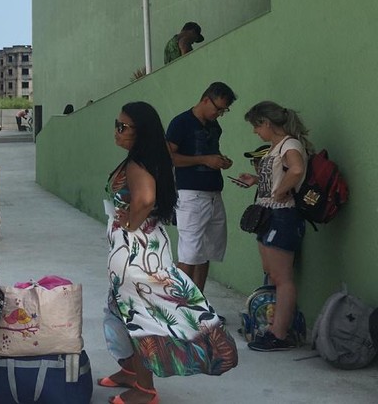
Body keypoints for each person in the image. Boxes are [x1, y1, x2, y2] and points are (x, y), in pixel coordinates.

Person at [100, 102, 237, 404]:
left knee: (138, 319)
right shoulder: (148, 158)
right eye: (117, 124)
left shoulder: (139, 165)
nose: (117, 131)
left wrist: (130, 223)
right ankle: (129, 371)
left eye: (123, 126)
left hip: (135, 255)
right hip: (144, 248)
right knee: (117, 315)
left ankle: (144, 391)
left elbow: (145, 199)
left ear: (141, 132)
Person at [232, 101, 311, 352]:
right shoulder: (275, 147)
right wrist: (256, 180)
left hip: (283, 216)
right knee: (271, 272)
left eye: (256, 126)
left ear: (266, 123)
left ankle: (279, 334)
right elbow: (280, 175)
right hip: (268, 216)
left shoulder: (289, 144)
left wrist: (281, 190)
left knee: (282, 277)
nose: (256, 132)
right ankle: (273, 325)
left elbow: (296, 169)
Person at [166, 82, 237, 292]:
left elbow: (208, 155)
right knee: (188, 255)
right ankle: (178, 309)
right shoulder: (181, 123)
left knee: (204, 254)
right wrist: (205, 160)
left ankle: (198, 306)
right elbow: (168, 157)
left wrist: (220, 161)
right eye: (218, 108)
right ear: (206, 100)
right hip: (191, 196)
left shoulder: (215, 127)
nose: (220, 114)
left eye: (224, 110)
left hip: (214, 194)